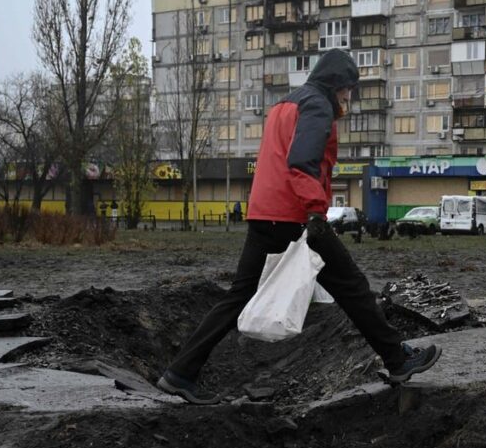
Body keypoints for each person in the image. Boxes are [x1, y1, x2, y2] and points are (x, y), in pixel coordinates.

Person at [157, 49, 441, 405]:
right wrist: (316, 212)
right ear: (337, 84)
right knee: (353, 287)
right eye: (349, 89)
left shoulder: (283, 105)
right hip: (295, 216)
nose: (348, 98)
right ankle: (398, 360)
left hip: (265, 212)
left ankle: (180, 373)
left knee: (238, 296)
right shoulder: (318, 105)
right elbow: (301, 161)